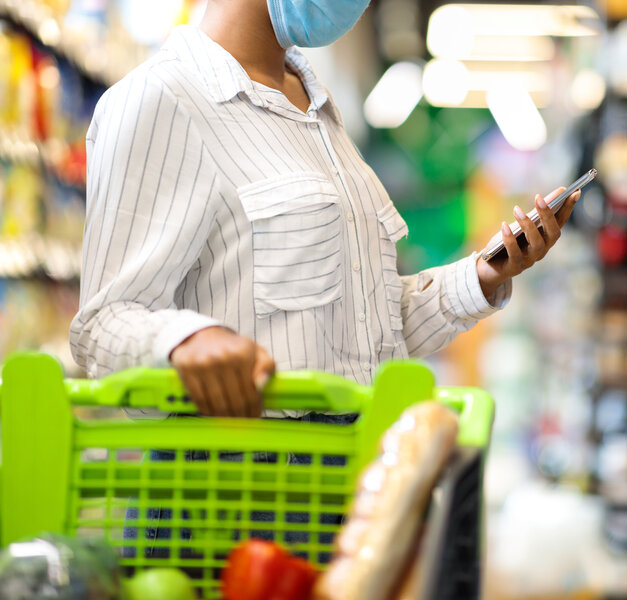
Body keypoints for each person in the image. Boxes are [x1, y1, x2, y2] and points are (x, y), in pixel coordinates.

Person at [69, 0, 580, 416]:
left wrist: (484, 276)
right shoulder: (161, 99)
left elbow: (361, 332)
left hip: (335, 487)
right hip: (225, 497)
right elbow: (100, 327)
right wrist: (184, 341)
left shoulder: (318, 114)